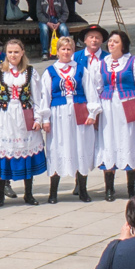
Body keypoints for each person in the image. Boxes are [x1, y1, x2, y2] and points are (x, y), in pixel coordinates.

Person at [0, 38, 47, 207]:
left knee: (26, 150)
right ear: (5, 54)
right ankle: (0, 195)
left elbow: (37, 96)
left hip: (24, 116)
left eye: (16, 52)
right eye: (10, 52)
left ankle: (28, 193)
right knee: (3, 151)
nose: (13, 55)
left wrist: (38, 118)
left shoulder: (30, 72)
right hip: (4, 117)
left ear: (22, 53)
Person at [92, 30, 135, 202]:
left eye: (115, 42)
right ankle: (110, 188)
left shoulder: (134, 62)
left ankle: (131, 188)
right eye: (109, 41)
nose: (111, 44)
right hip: (108, 108)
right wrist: (95, 112)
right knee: (108, 142)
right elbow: (96, 88)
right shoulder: (101, 64)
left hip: (128, 107)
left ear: (123, 44)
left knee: (129, 140)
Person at [39, 39, 93, 203]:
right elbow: (45, 96)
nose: (66, 52)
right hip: (58, 114)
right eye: (63, 49)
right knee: (57, 148)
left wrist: (92, 112)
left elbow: (90, 91)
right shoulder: (50, 72)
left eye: (69, 49)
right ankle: (53, 192)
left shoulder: (81, 69)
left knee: (80, 147)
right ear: (57, 51)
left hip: (79, 110)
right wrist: (45, 118)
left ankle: (82, 189)